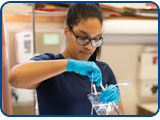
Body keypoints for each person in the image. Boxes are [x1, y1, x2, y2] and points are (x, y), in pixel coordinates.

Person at [9, 3, 124, 115]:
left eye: (96, 39)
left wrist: (113, 106)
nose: (89, 46)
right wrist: (70, 65)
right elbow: (14, 78)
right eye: (83, 38)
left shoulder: (104, 71)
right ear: (67, 31)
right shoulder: (50, 65)